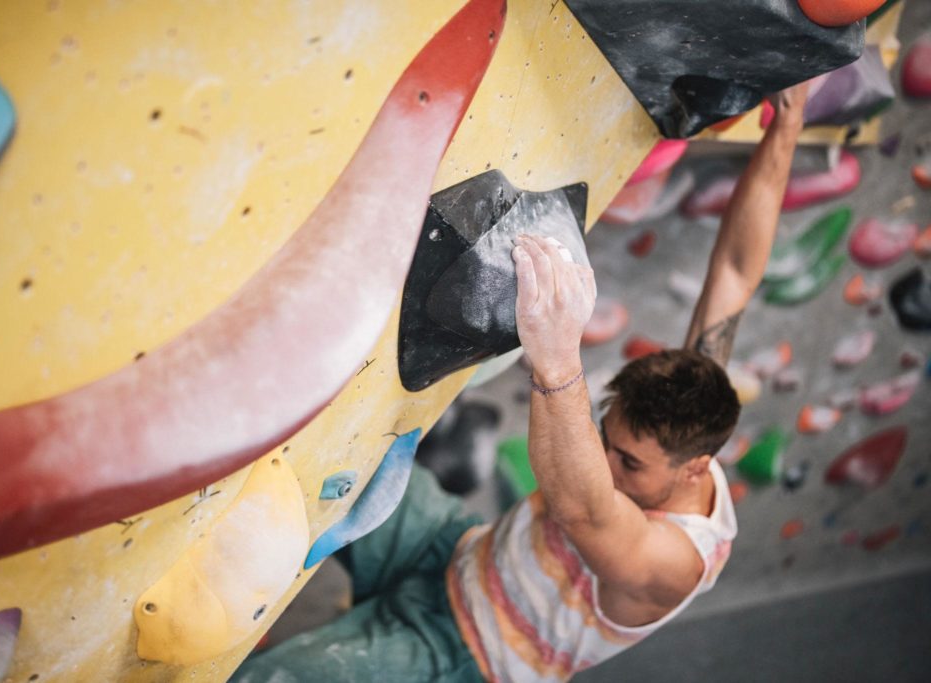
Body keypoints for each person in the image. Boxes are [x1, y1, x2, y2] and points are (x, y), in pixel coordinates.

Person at [232, 83, 809, 683]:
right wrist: (787, 125)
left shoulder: (674, 562)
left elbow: (581, 509)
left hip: (467, 654)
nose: (609, 465)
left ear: (697, 467)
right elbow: (737, 271)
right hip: (457, 552)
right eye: (606, 441)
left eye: (631, 465)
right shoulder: (696, 403)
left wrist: (557, 358)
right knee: (334, 448)